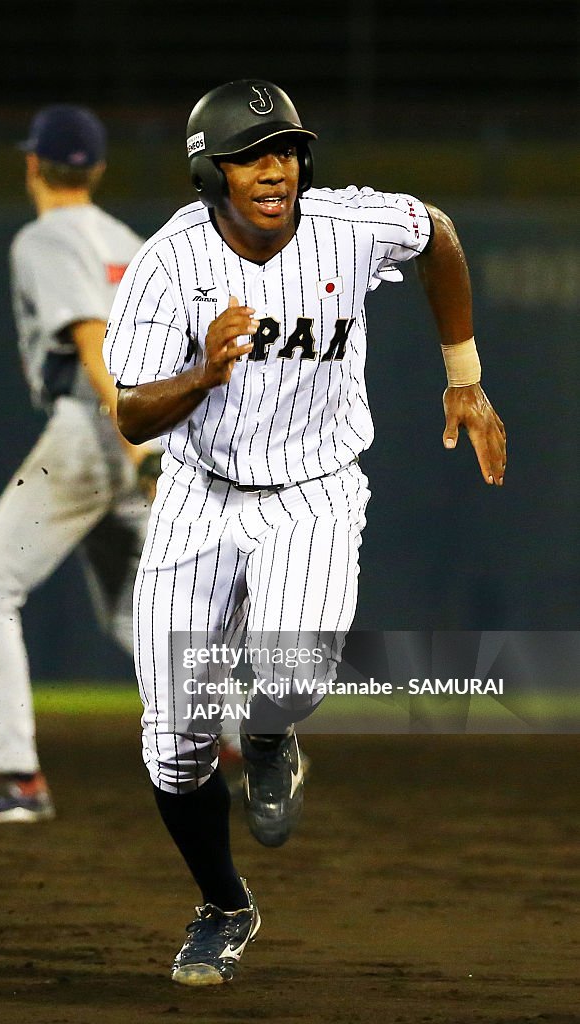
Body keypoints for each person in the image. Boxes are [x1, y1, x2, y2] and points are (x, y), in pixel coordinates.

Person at [103, 80, 506, 986]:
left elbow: (435, 230)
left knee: (292, 673)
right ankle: (223, 906)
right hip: (199, 495)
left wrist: (463, 375)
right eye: (250, 153)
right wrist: (203, 372)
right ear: (211, 171)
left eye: (283, 147)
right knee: (171, 745)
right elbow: (130, 414)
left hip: (313, 491)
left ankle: (273, 736)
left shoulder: (347, 226)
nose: (274, 166)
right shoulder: (168, 261)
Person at [0, 104, 158, 825]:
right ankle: (246, 738)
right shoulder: (129, 240)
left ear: (32, 164)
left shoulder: (45, 237)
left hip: (97, 427)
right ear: (99, 170)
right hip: (143, 426)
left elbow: (93, 343)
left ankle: (17, 776)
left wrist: (134, 445)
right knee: (137, 611)